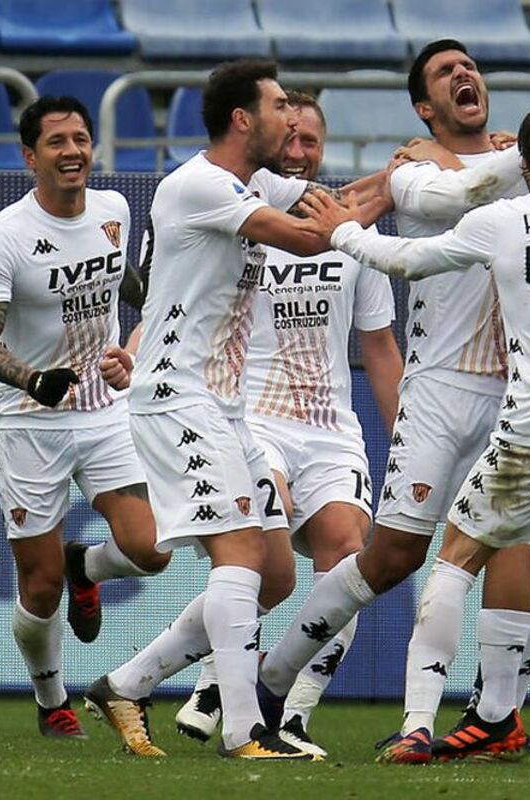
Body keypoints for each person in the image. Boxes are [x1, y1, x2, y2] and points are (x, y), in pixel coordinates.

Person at [302, 96, 530, 770]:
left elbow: (408, 260)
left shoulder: (503, 220)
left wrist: (342, 231)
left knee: (457, 557)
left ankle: (420, 724)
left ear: (524, 162)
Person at [253, 40, 530, 764]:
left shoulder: (521, 168)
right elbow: (458, 197)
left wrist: (529, 152)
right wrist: (528, 149)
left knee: (522, 549)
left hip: (517, 390)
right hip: (440, 389)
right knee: (394, 556)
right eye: (445, 73)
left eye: (470, 66)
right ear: (426, 107)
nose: (465, 74)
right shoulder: (415, 172)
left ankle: (495, 718)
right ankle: (272, 680)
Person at [82, 59, 383, 761]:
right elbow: (312, 235)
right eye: (279, 107)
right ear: (243, 119)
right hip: (177, 398)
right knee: (241, 554)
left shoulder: (255, 184)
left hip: (226, 408)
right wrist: (390, 201)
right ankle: (247, 731)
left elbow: (335, 203)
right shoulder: (200, 186)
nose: (291, 119)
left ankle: (126, 684)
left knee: (274, 575)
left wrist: (410, 174)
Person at [171, 92, 404, 757]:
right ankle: (214, 682)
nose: (299, 152)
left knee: (346, 557)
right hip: (255, 420)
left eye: (311, 141)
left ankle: (293, 714)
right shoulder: (242, 219)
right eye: (289, 137)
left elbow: (379, 348)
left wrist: (408, 438)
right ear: (268, 140)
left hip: (330, 427)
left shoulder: (355, 237)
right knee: (263, 561)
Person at [0, 95, 170, 740]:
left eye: (80, 138)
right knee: (40, 584)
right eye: (57, 142)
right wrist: (32, 379)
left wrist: (145, 327)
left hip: (105, 409)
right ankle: (51, 699)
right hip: (31, 419)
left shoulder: (114, 210)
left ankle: (89, 567)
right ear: (31, 157)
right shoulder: (4, 235)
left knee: (153, 549)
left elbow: (126, 284)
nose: (73, 151)